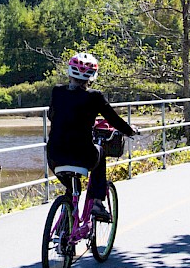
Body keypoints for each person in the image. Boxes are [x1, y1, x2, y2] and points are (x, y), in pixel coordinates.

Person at [46, 52, 138, 221]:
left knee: (71, 188)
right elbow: (113, 119)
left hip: (54, 155)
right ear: (92, 76)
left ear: (69, 72)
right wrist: (130, 131)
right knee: (100, 151)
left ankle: (65, 223)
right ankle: (97, 202)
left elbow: (51, 115)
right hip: (83, 155)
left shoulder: (57, 91)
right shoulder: (94, 96)